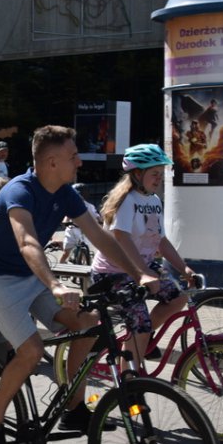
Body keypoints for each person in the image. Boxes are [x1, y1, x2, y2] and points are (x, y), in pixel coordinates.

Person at [0, 125, 158, 444]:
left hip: (31, 277)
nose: (80, 162)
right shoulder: (19, 191)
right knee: (31, 351)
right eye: (74, 156)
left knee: (89, 324)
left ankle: (73, 409)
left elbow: (99, 237)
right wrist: (56, 285)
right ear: (52, 162)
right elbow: (27, 242)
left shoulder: (65, 193)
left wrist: (138, 273)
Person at [90, 145, 195, 365]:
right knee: (140, 324)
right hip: (113, 272)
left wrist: (183, 268)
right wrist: (144, 272)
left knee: (179, 297)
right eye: (154, 173)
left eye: (161, 173)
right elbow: (122, 238)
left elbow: (161, 241)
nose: (159, 178)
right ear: (138, 174)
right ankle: (130, 376)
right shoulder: (127, 200)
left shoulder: (154, 201)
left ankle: (140, 341)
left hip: (142, 268)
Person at [59, 183, 97, 263]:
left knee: (84, 251)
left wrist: (99, 220)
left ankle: (85, 263)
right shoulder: (71, 205)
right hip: (72, 229)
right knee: (66, 252)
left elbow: (96, 216)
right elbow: (67, 216)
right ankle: (60, 265)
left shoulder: (90, 206)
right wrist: (65, 222)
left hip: (85, 230)